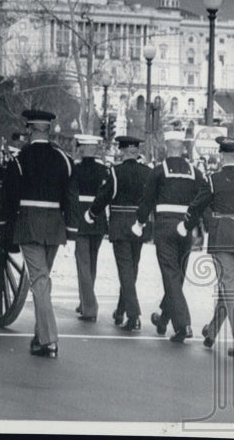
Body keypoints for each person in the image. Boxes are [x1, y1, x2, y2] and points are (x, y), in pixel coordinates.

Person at [0, 109, 75, 358]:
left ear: (30, 129)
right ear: (48, 130)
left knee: (40, 282)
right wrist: (70, 231)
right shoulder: (64, 159)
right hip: (54, 227)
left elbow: (8, 196)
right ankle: (40, 336)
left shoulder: (21, 159)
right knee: (43, 281)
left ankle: (49, 340)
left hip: (29, 224)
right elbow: (71, 198)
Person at [188, 137, 234, 358]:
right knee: (227, 287)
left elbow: (198, 205)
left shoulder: (213, 179)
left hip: (221, 237)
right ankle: (212, 332)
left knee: (228, 287)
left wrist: (186, 225)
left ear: (221, 156)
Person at [137, 128, 208, 343]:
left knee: (170, 274)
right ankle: (163, 317)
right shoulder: (195, 172)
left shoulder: (158, 171)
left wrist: (140, 221)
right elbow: (204, 198)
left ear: (167, 147)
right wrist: (197, 225)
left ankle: (183, 324)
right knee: (177, 275)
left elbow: (147, 200)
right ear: (183, 147)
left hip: (165, 227)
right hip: (185, 228)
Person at [86, 135, 152, 331]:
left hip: (121, 224)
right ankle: (121, 310)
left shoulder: (115, 172)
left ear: (122, 151)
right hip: (140, 224)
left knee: (125, 269)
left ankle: (134, 315)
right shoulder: (148, 173)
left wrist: (92, 213)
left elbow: (104, 196)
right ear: (137, 151)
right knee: (132, 268)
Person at [68, 133, 109, 322]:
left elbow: (71, 194)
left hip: (81, 219)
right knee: (92, 263)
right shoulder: (104, 170)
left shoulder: (75, 169)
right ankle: (85, 300)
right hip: (99, 219)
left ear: (83, 149)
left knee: (83, 264)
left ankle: (89, 308)